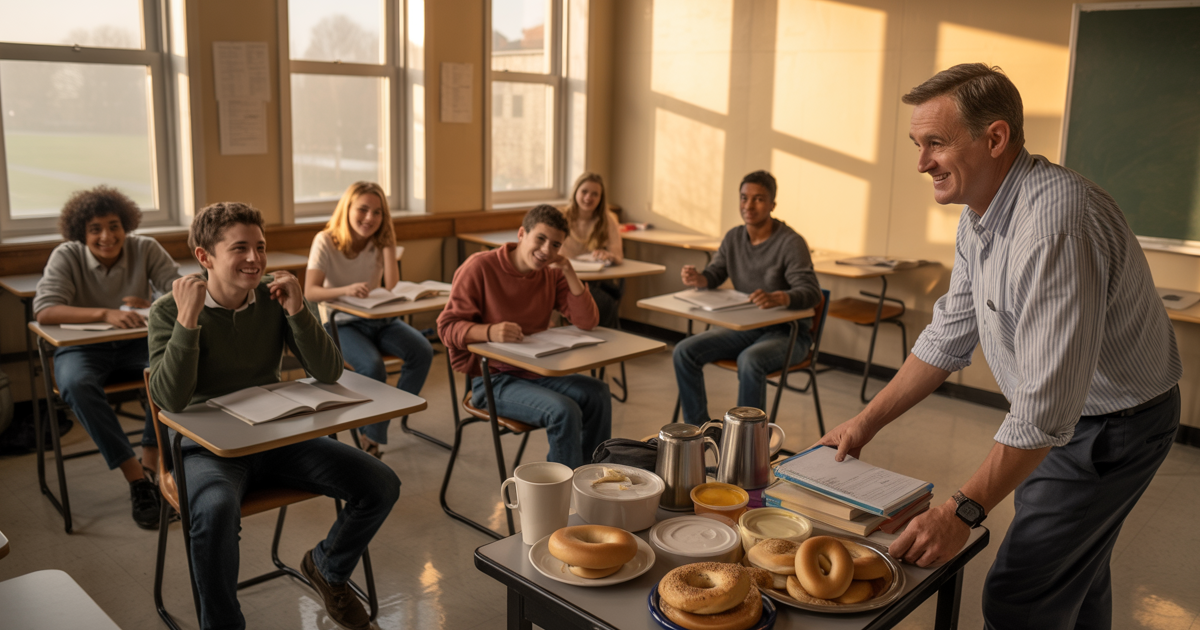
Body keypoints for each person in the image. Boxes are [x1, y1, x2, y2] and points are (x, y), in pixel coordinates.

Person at [817, 64, 1181, 630]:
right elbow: (948, 332)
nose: (921, 163)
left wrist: (961, 510)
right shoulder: (979, 217)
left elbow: (1044, 409)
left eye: (935, 144)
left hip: (1111, 425)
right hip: (1070, 417)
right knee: (1075, 573)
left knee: (1021, 595)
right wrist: (864, 423)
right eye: (918, 145)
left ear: (995, 138)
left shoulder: (1055, 224)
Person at [148, 202, 399, 630]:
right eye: (240, 248)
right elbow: (169, 399)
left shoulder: (272, 297)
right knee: (213, 513)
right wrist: (188, 320)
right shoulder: (169, 310)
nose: (255, 259)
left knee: (381, 484)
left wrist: (299, 310)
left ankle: (328, 567)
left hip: (276, 438)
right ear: (205, 256)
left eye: (260, 248)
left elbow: (328, 371)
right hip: (207, 450)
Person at [33, 185, 180, 529]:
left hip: (135, 342)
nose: (106, 236)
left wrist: (157, 299)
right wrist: (104, 314)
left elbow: (179, 290)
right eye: (95, 229)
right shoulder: (66, 256)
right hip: (82, 349)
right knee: (76, 384)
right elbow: (45, 311)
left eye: (114, 225)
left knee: (170, 366)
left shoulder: (145, 247)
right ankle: (137, 481)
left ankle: (151, 461)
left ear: (126, 225)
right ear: (80, 233)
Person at [437, 205, 610, 469]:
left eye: (555, 245)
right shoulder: (479, 267)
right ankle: (563, 497)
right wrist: (489, 331)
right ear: (521, 234)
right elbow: (446, 328)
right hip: (491, 380)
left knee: (597, 393)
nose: (546, 251)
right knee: (564, 411)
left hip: (538, 371)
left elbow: (588, 321)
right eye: (540, 239)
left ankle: (589, 481)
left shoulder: (551, 272)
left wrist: (567, 269)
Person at [672, 170, 822, 425]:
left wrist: (781, 298)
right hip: (747, 327)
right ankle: (699, 432)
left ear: (772, 205)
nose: (748, 205)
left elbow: (812, 293)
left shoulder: (790, 242)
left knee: (750, 360)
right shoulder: (734, 237)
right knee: (683, 351)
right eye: (744, 198)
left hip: (789, 334)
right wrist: (701, 279)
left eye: (758, 199)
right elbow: (716, 272)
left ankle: (747, 443)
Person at [304, 181, 433, 458]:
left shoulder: (380, 239)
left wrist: (388, 241)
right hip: (341, 324)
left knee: (422, 350)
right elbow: (310, 290)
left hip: (379, 320)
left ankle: (377, 425)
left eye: (378, 213)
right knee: (373, 368)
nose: (370, 218)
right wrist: (345, 290)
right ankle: (373, 437)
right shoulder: (325, 240)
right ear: (347, 208)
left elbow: (391, 285)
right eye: (363, 210)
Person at [560, 172, 624, 328]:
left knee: (609, 299)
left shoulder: (607, 219)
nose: (589, 197)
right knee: (604, 304)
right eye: (584, 192)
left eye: (595, 194)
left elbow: (618, 255)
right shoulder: (561, 217)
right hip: (565, 279)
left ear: (601, 198)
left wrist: (607, 255)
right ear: (575, 191)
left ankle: (609, 346)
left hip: (595, 280)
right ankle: (612, 345)